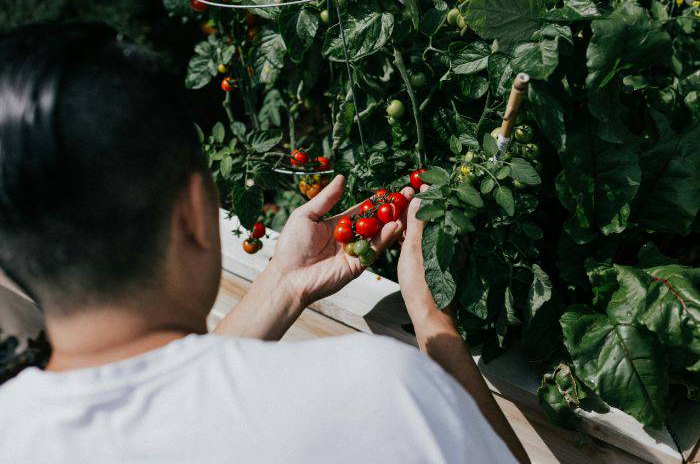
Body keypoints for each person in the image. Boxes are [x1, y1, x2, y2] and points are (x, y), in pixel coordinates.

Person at [0, 23, 527, 463]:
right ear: (191, 214)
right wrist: (432, 321)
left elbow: (173, 395)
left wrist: (284, 283)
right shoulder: (380, 392)